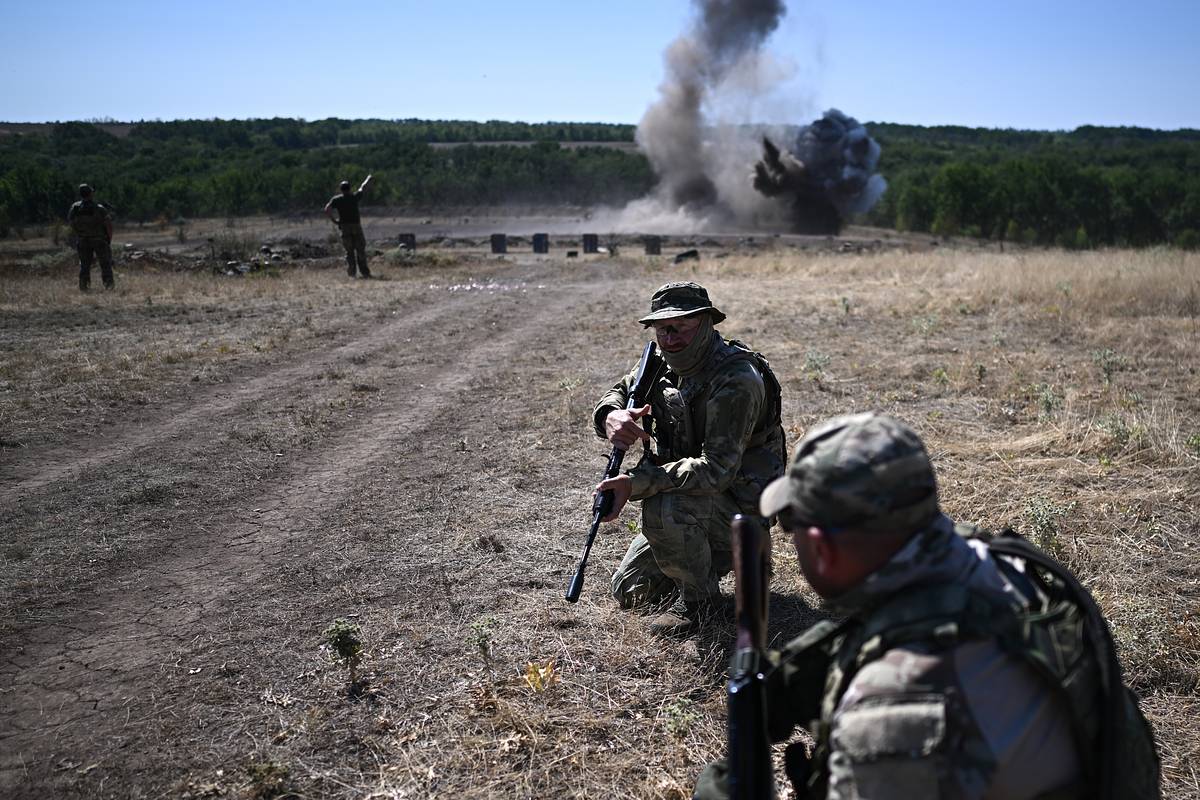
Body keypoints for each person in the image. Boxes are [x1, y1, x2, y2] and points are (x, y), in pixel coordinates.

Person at [695, 412, 1160, 799]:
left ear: (823, 548)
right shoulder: (1004, 565)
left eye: (793, 532)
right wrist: (808, 669)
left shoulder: (896, 709)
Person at [592, 281, 786, 636]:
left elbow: (716, 471)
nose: (670, 337)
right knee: (632, 591)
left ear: (707, 323)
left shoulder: (736, 379)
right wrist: (610, 415)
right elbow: (620, 392)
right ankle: (709, 562)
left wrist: (636, 484)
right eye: (663, 328)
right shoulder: (662, 365)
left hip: (741, 507)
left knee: (664, 506)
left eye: (682, 326)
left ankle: (702, 605)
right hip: (698, 497)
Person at [67, 183, 114, 291]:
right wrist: (108, 239)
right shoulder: (99, 208)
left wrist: (79, 234)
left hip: (83, 240)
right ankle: (109, 286)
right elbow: (109, 225)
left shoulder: (75, 208)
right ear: (91, 193)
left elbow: (71, 223)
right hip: (99, 240)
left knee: (84, 265)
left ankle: (84, 287)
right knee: (105, 264)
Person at [325, 175, 372, 278]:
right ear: (350, 188)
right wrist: (368, 179)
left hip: (344, 227)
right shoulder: (354, 197)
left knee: (349, 251)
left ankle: (352, 273)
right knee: (360, 250)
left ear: (341, 189)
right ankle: (365, 273)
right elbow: (362, 187)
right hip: (356, 226)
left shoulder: (336, 200)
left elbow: (327, 209)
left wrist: (334, 221)